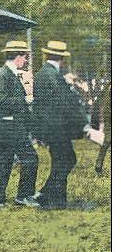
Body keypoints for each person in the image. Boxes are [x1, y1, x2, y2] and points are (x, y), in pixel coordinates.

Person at [33, 41, 88, 209]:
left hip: (51, 127)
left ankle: (54, 199)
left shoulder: (46, 73)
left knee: (62, 161)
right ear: (62, 58)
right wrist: (83, 124)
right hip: (56, 128)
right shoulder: (52, 75)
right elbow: (65, 103)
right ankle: (48, 197)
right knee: (66, 160)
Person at [0, 41, 39, 209]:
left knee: (4, 163)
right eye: (25, 57)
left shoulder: (8, 73)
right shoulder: (5, 75)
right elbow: (2, 101)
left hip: (5, 128)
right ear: (17, 57)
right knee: (31, 159)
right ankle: (24, 195)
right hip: (11, 128)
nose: (26, 61)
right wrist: (25, 100)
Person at [95, 81, 111, 175]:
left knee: (106, 142)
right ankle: (98, 165)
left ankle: (98, 165)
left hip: (108, 115)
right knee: (107, 141)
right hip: (110, 116)